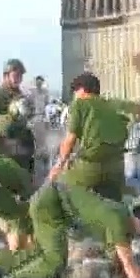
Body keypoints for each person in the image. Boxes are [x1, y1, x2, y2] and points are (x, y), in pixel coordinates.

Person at [0, 184, 140, 278]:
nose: (139, 238)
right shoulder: (119, 222)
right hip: (50, 205)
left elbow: (115, 254)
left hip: (54, 200)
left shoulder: (121, 213)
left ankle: (0, 265)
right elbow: (128, 263)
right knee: (54, 260)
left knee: (49, 251)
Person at [47, 72, 130, 201]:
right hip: (116, 167)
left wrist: (59, 166)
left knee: (59, 184)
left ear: (82, 89)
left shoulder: (80, 104)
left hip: (92, 166)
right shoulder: (113, 104)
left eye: (75, 92)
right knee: (114, 203)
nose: (75, 96)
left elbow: (70, 140)